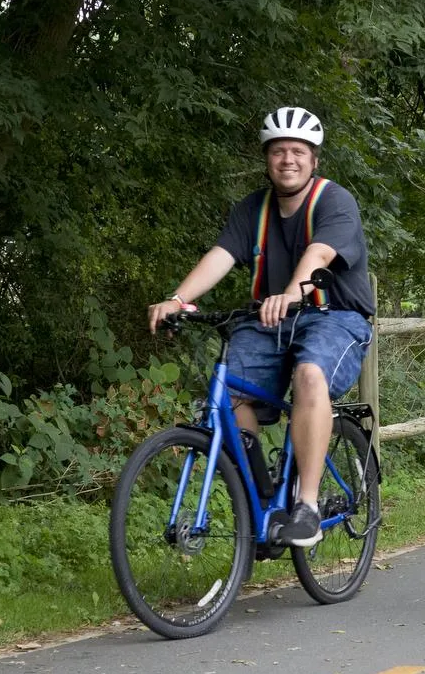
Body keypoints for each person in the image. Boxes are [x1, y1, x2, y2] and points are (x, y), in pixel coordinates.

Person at [147, 107, 375, 547]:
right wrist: (179, 299)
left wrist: (292, 293)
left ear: (314, 160)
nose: (287, 159)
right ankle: (264, 501)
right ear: (266, 159)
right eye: (278, 151)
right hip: (269, 320)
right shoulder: (252, 208)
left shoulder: (334, 201)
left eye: (297, 151)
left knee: (311, 375)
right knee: (227, 398)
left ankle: (306, 506)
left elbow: (320, 255)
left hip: (335, 318)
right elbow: (222, 255)